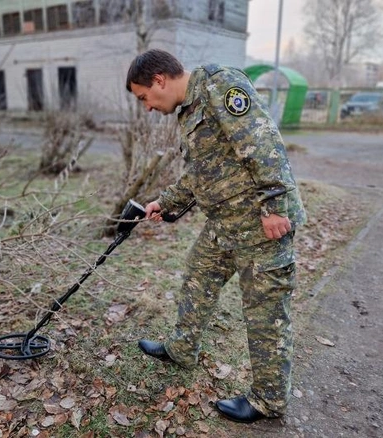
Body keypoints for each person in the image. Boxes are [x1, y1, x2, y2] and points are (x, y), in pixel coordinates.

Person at [125, 49, 306, 423]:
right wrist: (164, 202)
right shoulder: (189, 110)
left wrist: (273, 206)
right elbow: (198, 176)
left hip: (259, 223)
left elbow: (264, 141)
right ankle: (181, 348)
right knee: (197, 277)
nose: (147, 107)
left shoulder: (219, 84)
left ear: (159, 80)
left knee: (265, 312)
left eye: (144, 97)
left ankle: (268, 400)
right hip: (225, 222)